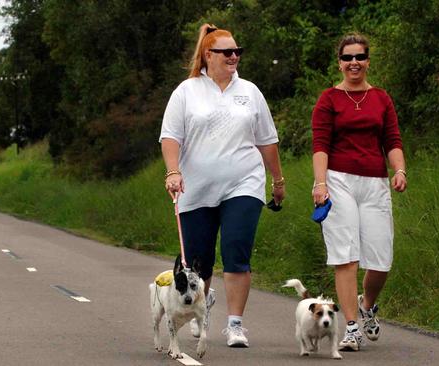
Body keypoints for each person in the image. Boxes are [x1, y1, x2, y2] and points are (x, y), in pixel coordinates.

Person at [160, 23, 285, 348]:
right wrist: (173, 172)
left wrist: (278, 179)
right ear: (207, 55)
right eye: (227, 52)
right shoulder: (186, 91)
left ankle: (235, 324)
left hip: (244, 182)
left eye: (237, 52)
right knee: (199, 260)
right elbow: (171, 137)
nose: (234, 57)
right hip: (196, 188)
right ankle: (201, 307)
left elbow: (267, 141)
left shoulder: (250, 92)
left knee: (236, 250)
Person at [311, 33, 407, 352]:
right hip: (338, 180)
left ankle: (367, 306)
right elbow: (321, 144)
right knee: (346, 255)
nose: (354, 63)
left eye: (360, 57)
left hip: (375, 182)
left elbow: (392, 139)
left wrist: (400, 171)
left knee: (381, 259)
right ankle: (351, 327)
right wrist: (320, 183)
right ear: (340, 63)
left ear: (367, 61)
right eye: (348, 58)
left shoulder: (381, 98)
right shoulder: (329, 99)